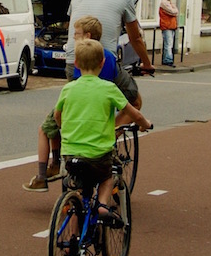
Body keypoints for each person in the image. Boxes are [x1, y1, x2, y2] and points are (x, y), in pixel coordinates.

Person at [51, 38, 152, 222]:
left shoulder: (68, 89)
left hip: (70, 154)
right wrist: (146, 124)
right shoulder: (109, 88)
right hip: (98, 155)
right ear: (102, 62)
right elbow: (134, 114)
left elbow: (57, 116)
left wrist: (65, 128)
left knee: (79, 194)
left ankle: (72, 243)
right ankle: (103, 206)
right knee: (107, 176)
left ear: (76, 64)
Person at [25, 15, 121, 191]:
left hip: (78, 104)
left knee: (46, 128)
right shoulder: (108, 58)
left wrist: (63, 124)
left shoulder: (83, 58)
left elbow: (77, 87)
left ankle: (44, 175)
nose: (74, 38)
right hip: (100, 108)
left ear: (88, 37)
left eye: (76, 34)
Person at [68, 0, 155, 102]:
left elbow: (73, 25)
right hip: (102, 62)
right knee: (135, 101)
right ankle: (112, 125)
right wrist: (146, 63)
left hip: (74, 61)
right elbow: (135, 38)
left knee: (73, 102)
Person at [157, 0, 180, 68]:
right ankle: (168, 60)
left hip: (171, 26)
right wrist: (174, 11)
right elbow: (173, 11)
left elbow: (176, 11)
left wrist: (175, 11)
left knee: (169, 43)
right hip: (167, 26)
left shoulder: (169, 3)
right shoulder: (164, 3)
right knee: (168, 44)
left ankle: (166, 59)